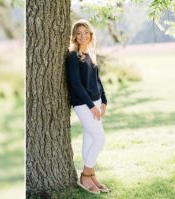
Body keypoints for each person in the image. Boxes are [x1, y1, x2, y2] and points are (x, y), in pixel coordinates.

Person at [66, 19, 110, 194]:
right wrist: (92, 106)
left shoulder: (91, 54)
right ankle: (85, 175)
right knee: (100, 138)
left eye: (86, 33)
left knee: (90, 139)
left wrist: (104, 101)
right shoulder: (73, 56)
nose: (82, 36)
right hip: (83, 104)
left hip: (96, 102)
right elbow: (76, 84)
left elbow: (97, 80)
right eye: (79, 33)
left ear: (91, 34)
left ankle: (91, 176)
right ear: (75, 36)